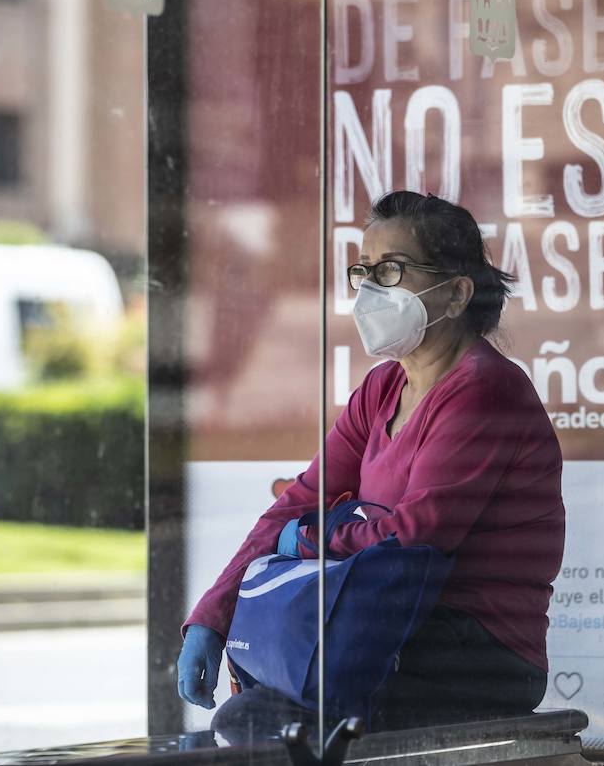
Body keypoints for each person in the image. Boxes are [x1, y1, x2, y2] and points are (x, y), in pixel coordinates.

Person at [177, 191, 566, 738]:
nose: (368, 290)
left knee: (257, 721)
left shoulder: (484, 389)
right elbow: (299, 501)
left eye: (391, 270)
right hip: (384, 625)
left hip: (479, 654)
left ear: (456, 294)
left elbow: (414, 537)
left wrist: (309, 541)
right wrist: (212, 615)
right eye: (364, 271)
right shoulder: (384, 386)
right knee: (257, 712)